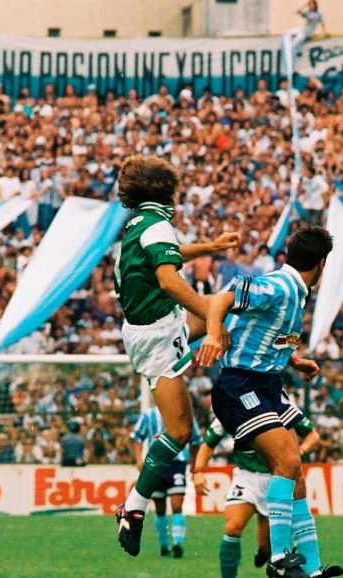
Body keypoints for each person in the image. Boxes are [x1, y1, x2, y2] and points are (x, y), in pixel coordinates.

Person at [197, 226, 343, 578]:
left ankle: (314, 574)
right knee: (287, 459)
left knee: (296, 477)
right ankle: (279, 557)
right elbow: (222, 298)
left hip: (268, 383)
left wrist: (294, 361)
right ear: (322, 263)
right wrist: (213, 334)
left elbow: (265, 332)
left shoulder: (297, 293)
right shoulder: (281, 285)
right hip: (240, 385)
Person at [113, 154, 238, 557]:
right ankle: (133, 508)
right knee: (180, 431)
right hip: (158, 334)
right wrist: (210, 322)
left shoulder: (140, 224)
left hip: (155, 327)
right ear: (166, 190)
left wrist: (211, 248)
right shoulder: (157, 224)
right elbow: (168, 279)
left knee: (229, 309)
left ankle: (251, 394)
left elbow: (169, 254)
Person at [193, 414, 320, 578]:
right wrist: (199, 471)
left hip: (275, 480)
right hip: (246, 478)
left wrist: (298, 451)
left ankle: (263, 551)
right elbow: (208, 443)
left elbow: (313, 434)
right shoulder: (231, 409)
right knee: (233, 527)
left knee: (267, 547)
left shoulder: (280, 406)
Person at [130, 408, 202, 558]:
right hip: (156, 463)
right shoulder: (149, 415)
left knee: (177, 505)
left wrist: (195, 464)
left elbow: (195, 440)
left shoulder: (183, 412)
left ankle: (178, 543)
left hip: (176, 463)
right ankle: (164, 546)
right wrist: (138, 459)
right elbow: (136, 437)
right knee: (160, 508)